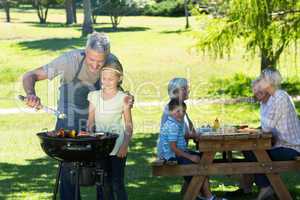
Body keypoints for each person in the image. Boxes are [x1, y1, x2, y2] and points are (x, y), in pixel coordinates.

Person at [22, 32, 133, 200]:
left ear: (107, 56)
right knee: (69, 171)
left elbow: (116, 89)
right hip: (68, 118)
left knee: (102, 173)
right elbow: (30, 75)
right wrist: (31, 94)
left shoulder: (112, 61)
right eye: (91, 60)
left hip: (97, 122)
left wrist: (127, 98)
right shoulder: (69, 60)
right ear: (85, 52)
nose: (96, 66)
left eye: (100, 61)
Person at [157, 99, 223, 200]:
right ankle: (207, 196)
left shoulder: (175, 122)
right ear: (170, 112)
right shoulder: (173, 126)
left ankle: (203, 194)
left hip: (177, 153)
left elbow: (182, 136)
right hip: (172, 157)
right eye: (177, 111)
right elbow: (173, 148)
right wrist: (190, 156)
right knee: (200, 162)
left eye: (183, 111)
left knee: (203, 158)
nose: (181, 114)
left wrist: (195, 135)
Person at [87, 59, 133, 200]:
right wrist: (90, 141)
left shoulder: (123, 98)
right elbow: (90, 122)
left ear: (119, 79)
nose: (106, 82)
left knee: (116, 183)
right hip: (100, 146)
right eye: (104, 78)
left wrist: (124, 146)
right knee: (102, 183)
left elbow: (129, 125)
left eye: (110, 79)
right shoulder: (94, 96)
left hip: (118, 147)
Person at [252, 68, 300, 200]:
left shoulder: (280, 97)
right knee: (252, 151)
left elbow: (267, 128)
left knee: (255, 153)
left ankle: (267, 186)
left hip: (291, 147)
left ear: (269, 81)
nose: (260, 81)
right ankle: (266, 186)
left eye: (262, 79)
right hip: (280, 144)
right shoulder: (273, 98)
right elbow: (267, 127)